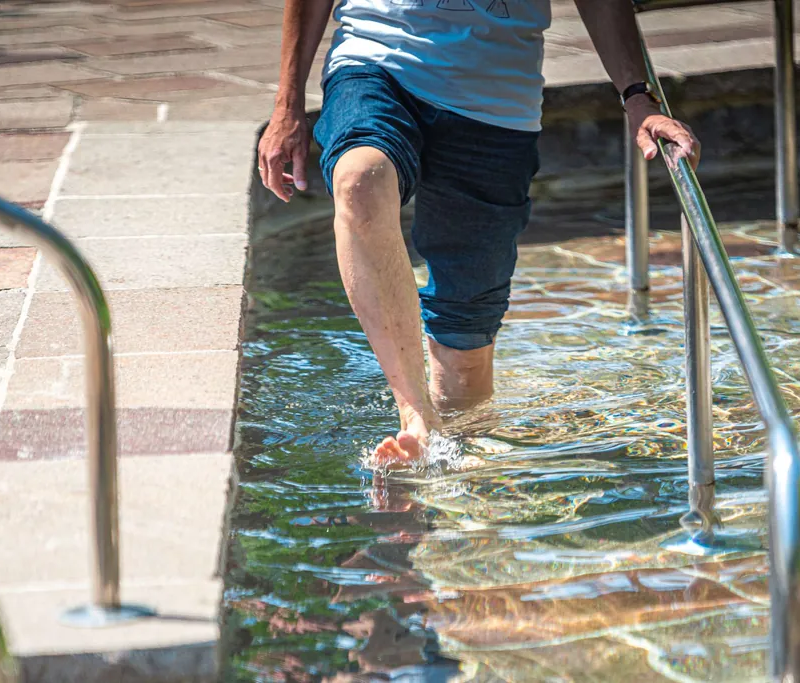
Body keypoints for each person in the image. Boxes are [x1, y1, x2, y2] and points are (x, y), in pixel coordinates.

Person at [258, 0, 701, 466]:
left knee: (464, 368)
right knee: (359, 180)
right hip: (375, 59)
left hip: (495, 99)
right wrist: (287, 104)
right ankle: (415, 417)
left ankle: (458, 503)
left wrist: (636, 96)